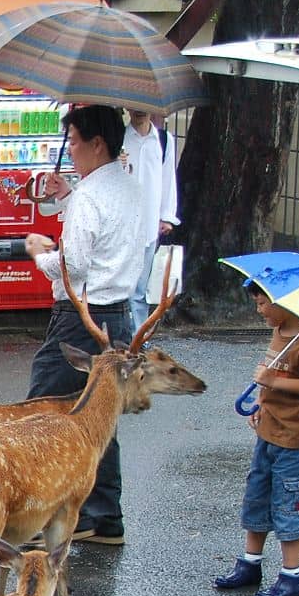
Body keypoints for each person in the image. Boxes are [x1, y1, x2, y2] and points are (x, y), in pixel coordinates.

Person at [22, 104, 155, 546]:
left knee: (43, 411)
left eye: (75, 142)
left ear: (97, 144)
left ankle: (41, 513)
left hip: (80, 317)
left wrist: (39, 253)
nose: (72, 151)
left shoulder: (89, 197)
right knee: (100, 417)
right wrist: (67, 196)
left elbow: (74, 265)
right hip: (117, 313)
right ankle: (104, 515)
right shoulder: (130, 187)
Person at [213, 281, 299, 596]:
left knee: (290, 504)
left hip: (295, 441)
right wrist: (262, 402)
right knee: (257, 497)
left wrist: (272, 380)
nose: (259, 310)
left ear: (284, 302)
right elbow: (270, 383)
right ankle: (250, 563)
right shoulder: (280, 332)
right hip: (267, 433)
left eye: (263, 303)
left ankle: (292, 576)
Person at [124, 110, 180, 333]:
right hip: (122, 225)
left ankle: (138, 338)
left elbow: (168, 178)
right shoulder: (119, 139)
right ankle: (122, 335)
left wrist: (166, 216)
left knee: (140, 290)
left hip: (148, 224)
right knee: (121, 286)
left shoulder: (164, 140)